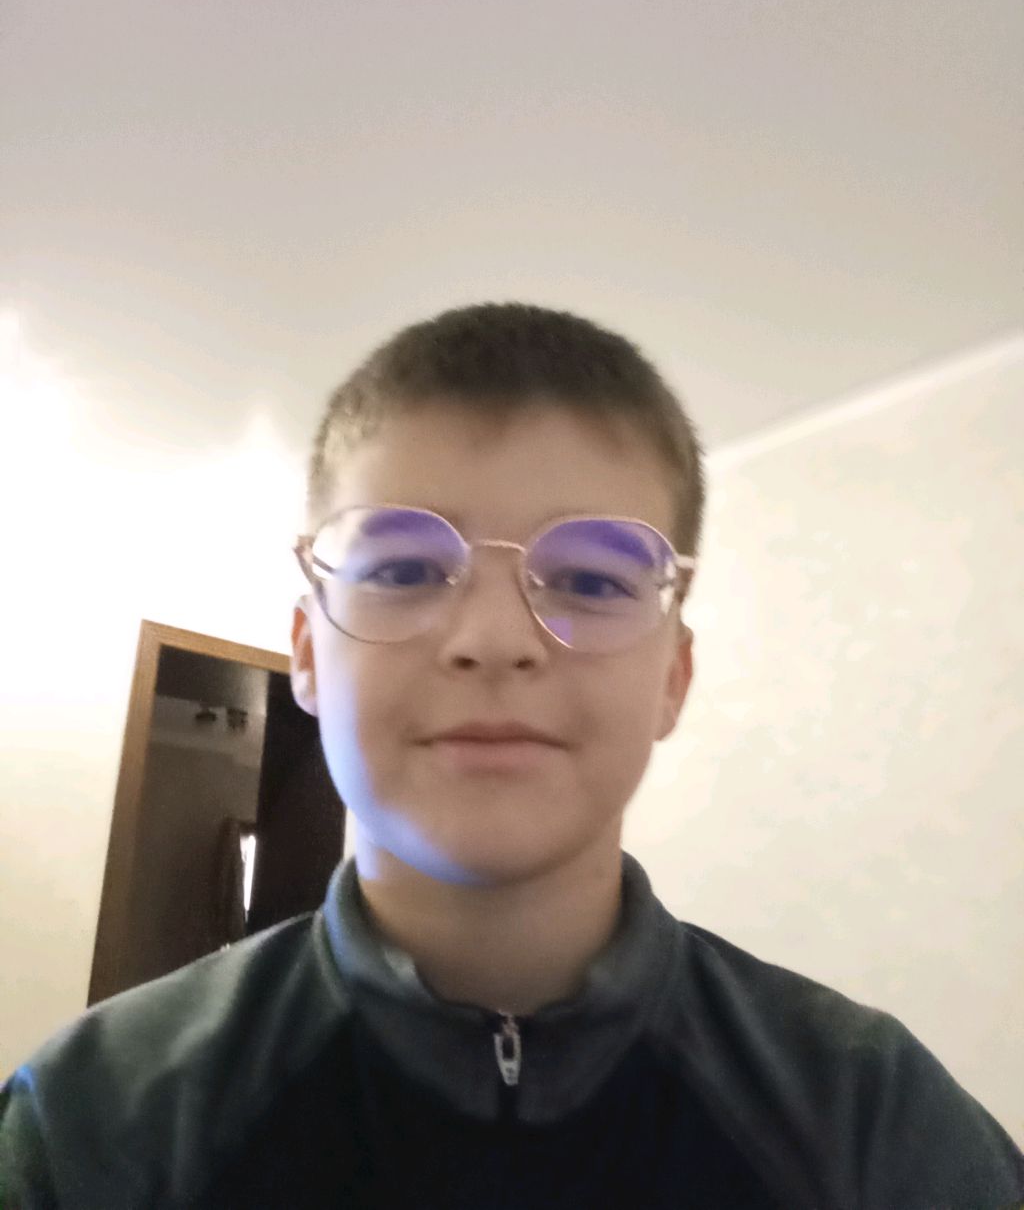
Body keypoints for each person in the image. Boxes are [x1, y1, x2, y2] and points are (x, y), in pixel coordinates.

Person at [1, 301, 1021, 1209]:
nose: (494, 638)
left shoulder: (872, 1117)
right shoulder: (89, 1124)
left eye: (592, 580)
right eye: (404, 567)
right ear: (307, 654)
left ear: (673, 676)